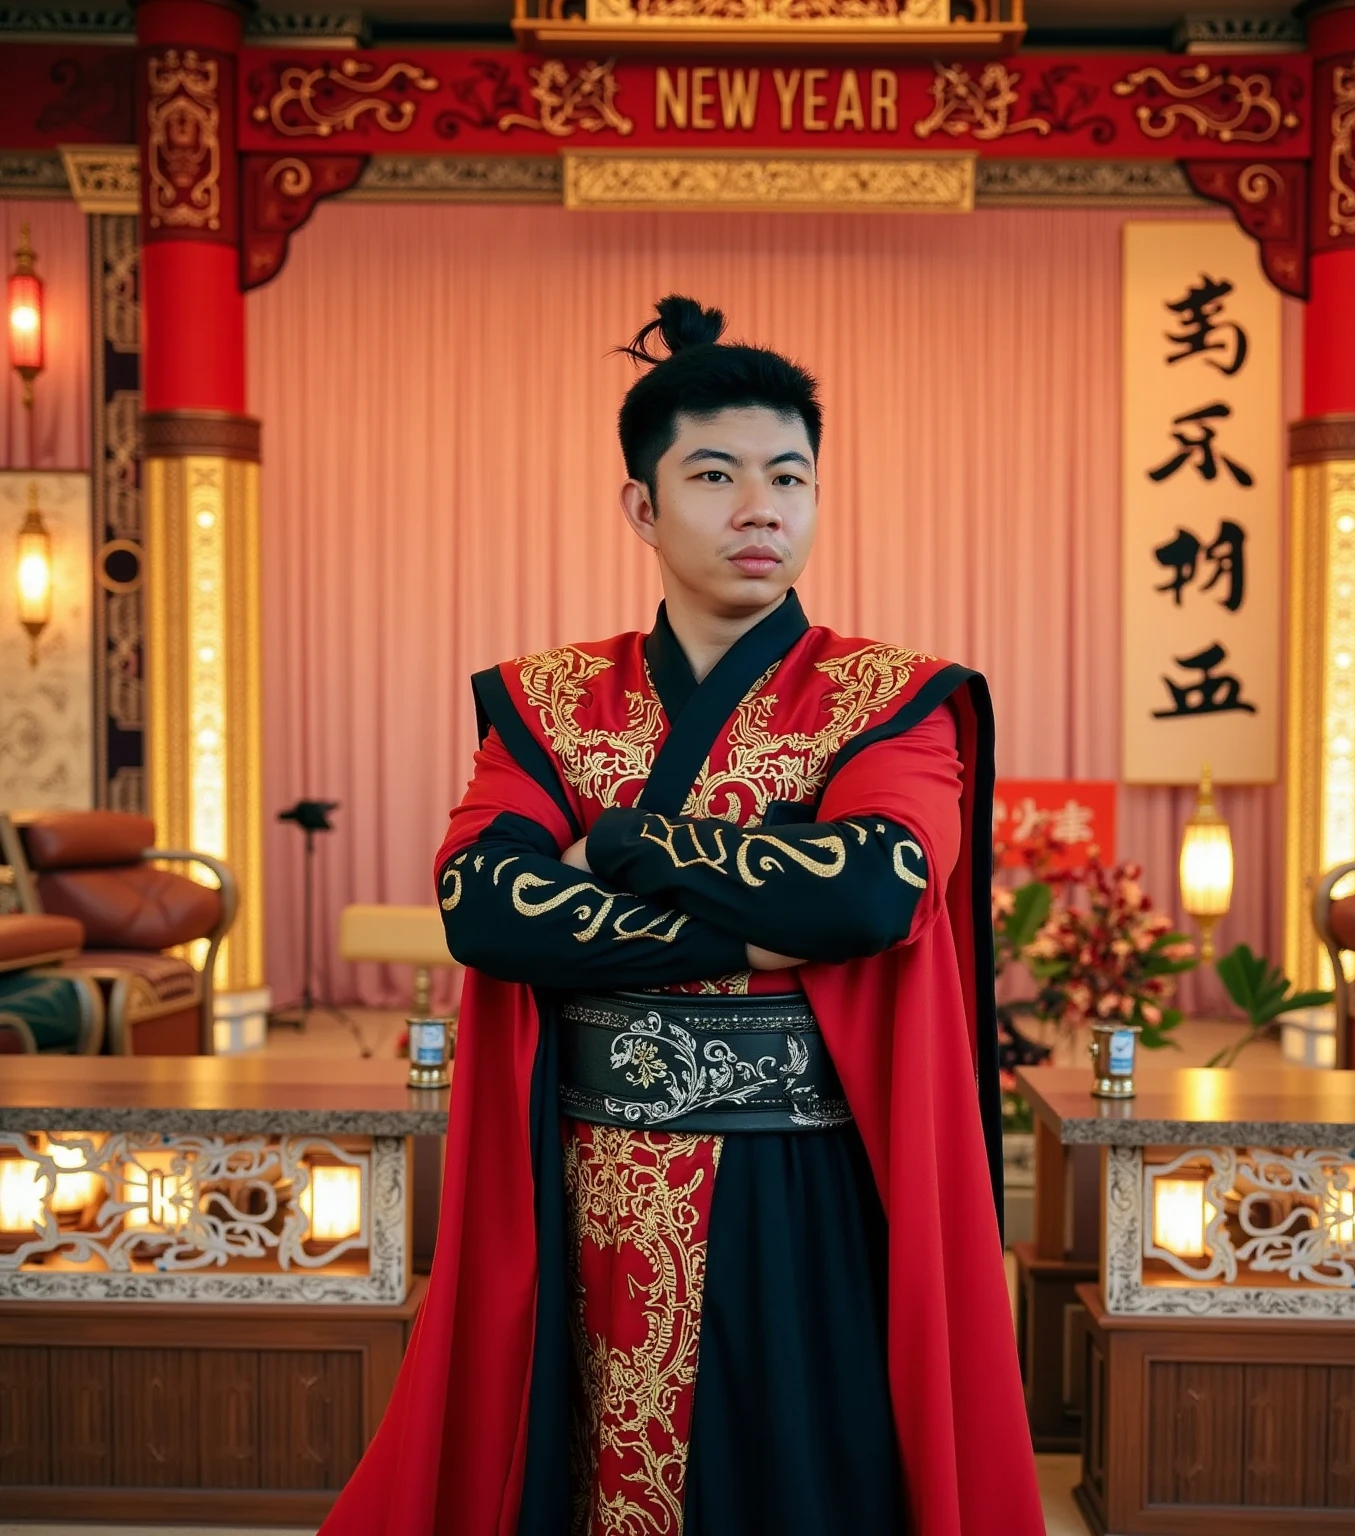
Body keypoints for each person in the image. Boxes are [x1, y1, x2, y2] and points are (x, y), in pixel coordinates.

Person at [320, 295, 1045, 1536]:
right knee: (593, 1477)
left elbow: (871, 889)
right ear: (643, 509)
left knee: (803, 1475)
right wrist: (762, 919)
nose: (759, 507)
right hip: (594, 1173)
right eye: (714, 475)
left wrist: (627, 841)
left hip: (806, 1174)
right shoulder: (548, 701)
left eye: (788, 476)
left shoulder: (891, 697)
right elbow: (484, 905)